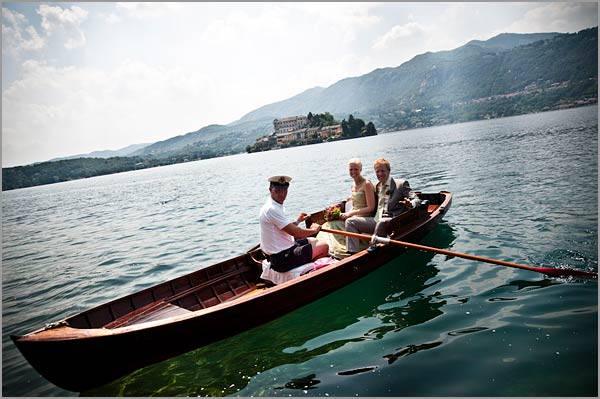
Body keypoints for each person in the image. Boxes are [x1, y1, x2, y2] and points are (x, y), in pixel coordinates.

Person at [345, 158, 421, 253]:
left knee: (381, 222)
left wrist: (410, 204)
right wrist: (352, 198)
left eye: (382, 171)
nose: (380, 174)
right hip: (376, 219)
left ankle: (373, 247)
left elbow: (417, 200)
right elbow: (367, 199)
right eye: (377, 171)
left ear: (388, 171)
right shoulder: (377, 186)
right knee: (350, 222)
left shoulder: (401, 184)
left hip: (393, 221)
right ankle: (353, 253)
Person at [259, 175, 329, 272]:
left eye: (284, 190)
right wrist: (314, 230)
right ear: (270, 189)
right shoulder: (272, 209)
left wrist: (298, 221)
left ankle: (307, 263)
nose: (281, 194)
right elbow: (296, 233)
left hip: (284, 251)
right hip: (282, 258)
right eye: (277, 190)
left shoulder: (274, 205)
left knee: (313, 240)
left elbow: (284, 227)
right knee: (324, 246)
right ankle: (311, 271)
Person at [318, 158, 376, 258]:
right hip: (355, 217)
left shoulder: (366, 184)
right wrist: (345, 214)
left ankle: (353, 254)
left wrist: (350, 214)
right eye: (351, 169)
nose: (353, 172)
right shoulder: (352, 185)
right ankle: (329, 249)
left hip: (366, 218)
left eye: (356, 169)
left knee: (350, 222)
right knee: (330, 223)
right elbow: (355, 205)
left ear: (361, 169)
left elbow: (371, 207)